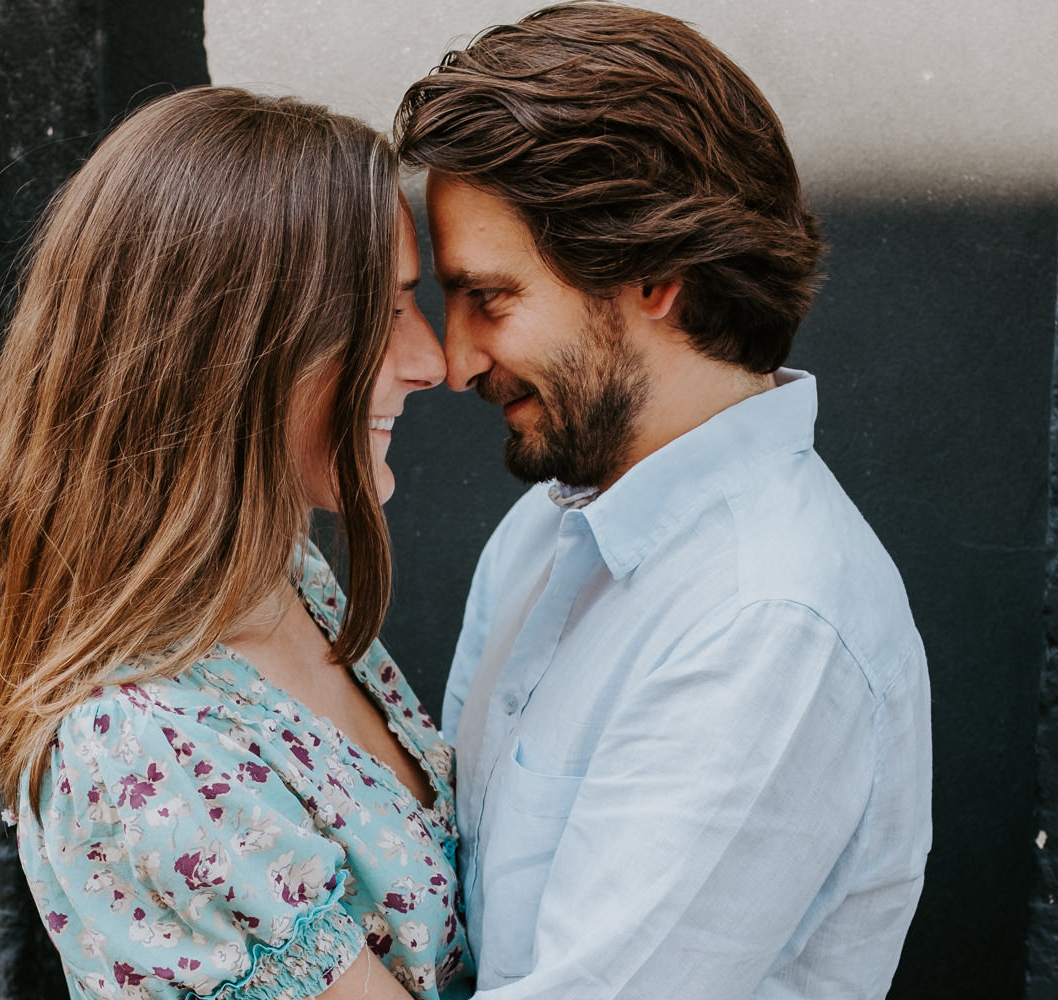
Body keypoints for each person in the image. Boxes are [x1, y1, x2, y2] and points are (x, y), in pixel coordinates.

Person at [395, 4, 932, 997]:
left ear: (653, 275)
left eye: (490, 297)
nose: (457, 357)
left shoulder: (767, 620)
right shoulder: (547, 528)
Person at [0, 87, 473, 1000]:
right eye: (380, 314)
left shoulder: (284, 580)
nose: (432, 361)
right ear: (234, 349)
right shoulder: (144, 741)